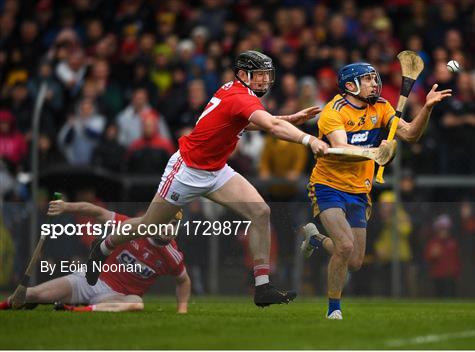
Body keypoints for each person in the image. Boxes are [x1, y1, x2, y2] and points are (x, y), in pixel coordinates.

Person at [86, 50, 329, 307]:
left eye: (266, 75)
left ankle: (262, 287)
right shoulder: (240, 96)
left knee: (260, 212)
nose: (265, 81)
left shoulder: (236, 92)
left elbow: (245, 122)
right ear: (243, 75)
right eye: (259, 76)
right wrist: (309, 139)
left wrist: (284, 119)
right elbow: (271, 127)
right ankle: (104, 245)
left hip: (216, 170)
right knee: (149, 225)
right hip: (187, 171)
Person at [299, 62, 452, 319]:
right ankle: (333, 309)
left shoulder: (381, 107)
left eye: (374, 78)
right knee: (345, 246)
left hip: (360, 190)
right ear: (350, 86)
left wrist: (427, 108)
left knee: (356, 261)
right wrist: (375, 153)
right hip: (328, 185)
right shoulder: (333, 112)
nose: (374, 83)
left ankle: (315, 239)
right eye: (368, 79)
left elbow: (412, 135)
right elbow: (341, 149)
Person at [0, 199, 191, 313]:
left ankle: (77, 309)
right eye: (166, 222)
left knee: (137, 303)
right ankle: (5, 304)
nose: (169, 228)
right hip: (89, 280)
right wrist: (66, 206)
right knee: (32, 294)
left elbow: (183, 280)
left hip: (114, 298)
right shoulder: (131, 226)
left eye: (174, 224)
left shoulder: (172, 255)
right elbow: (95, 211)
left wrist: (182, 310)